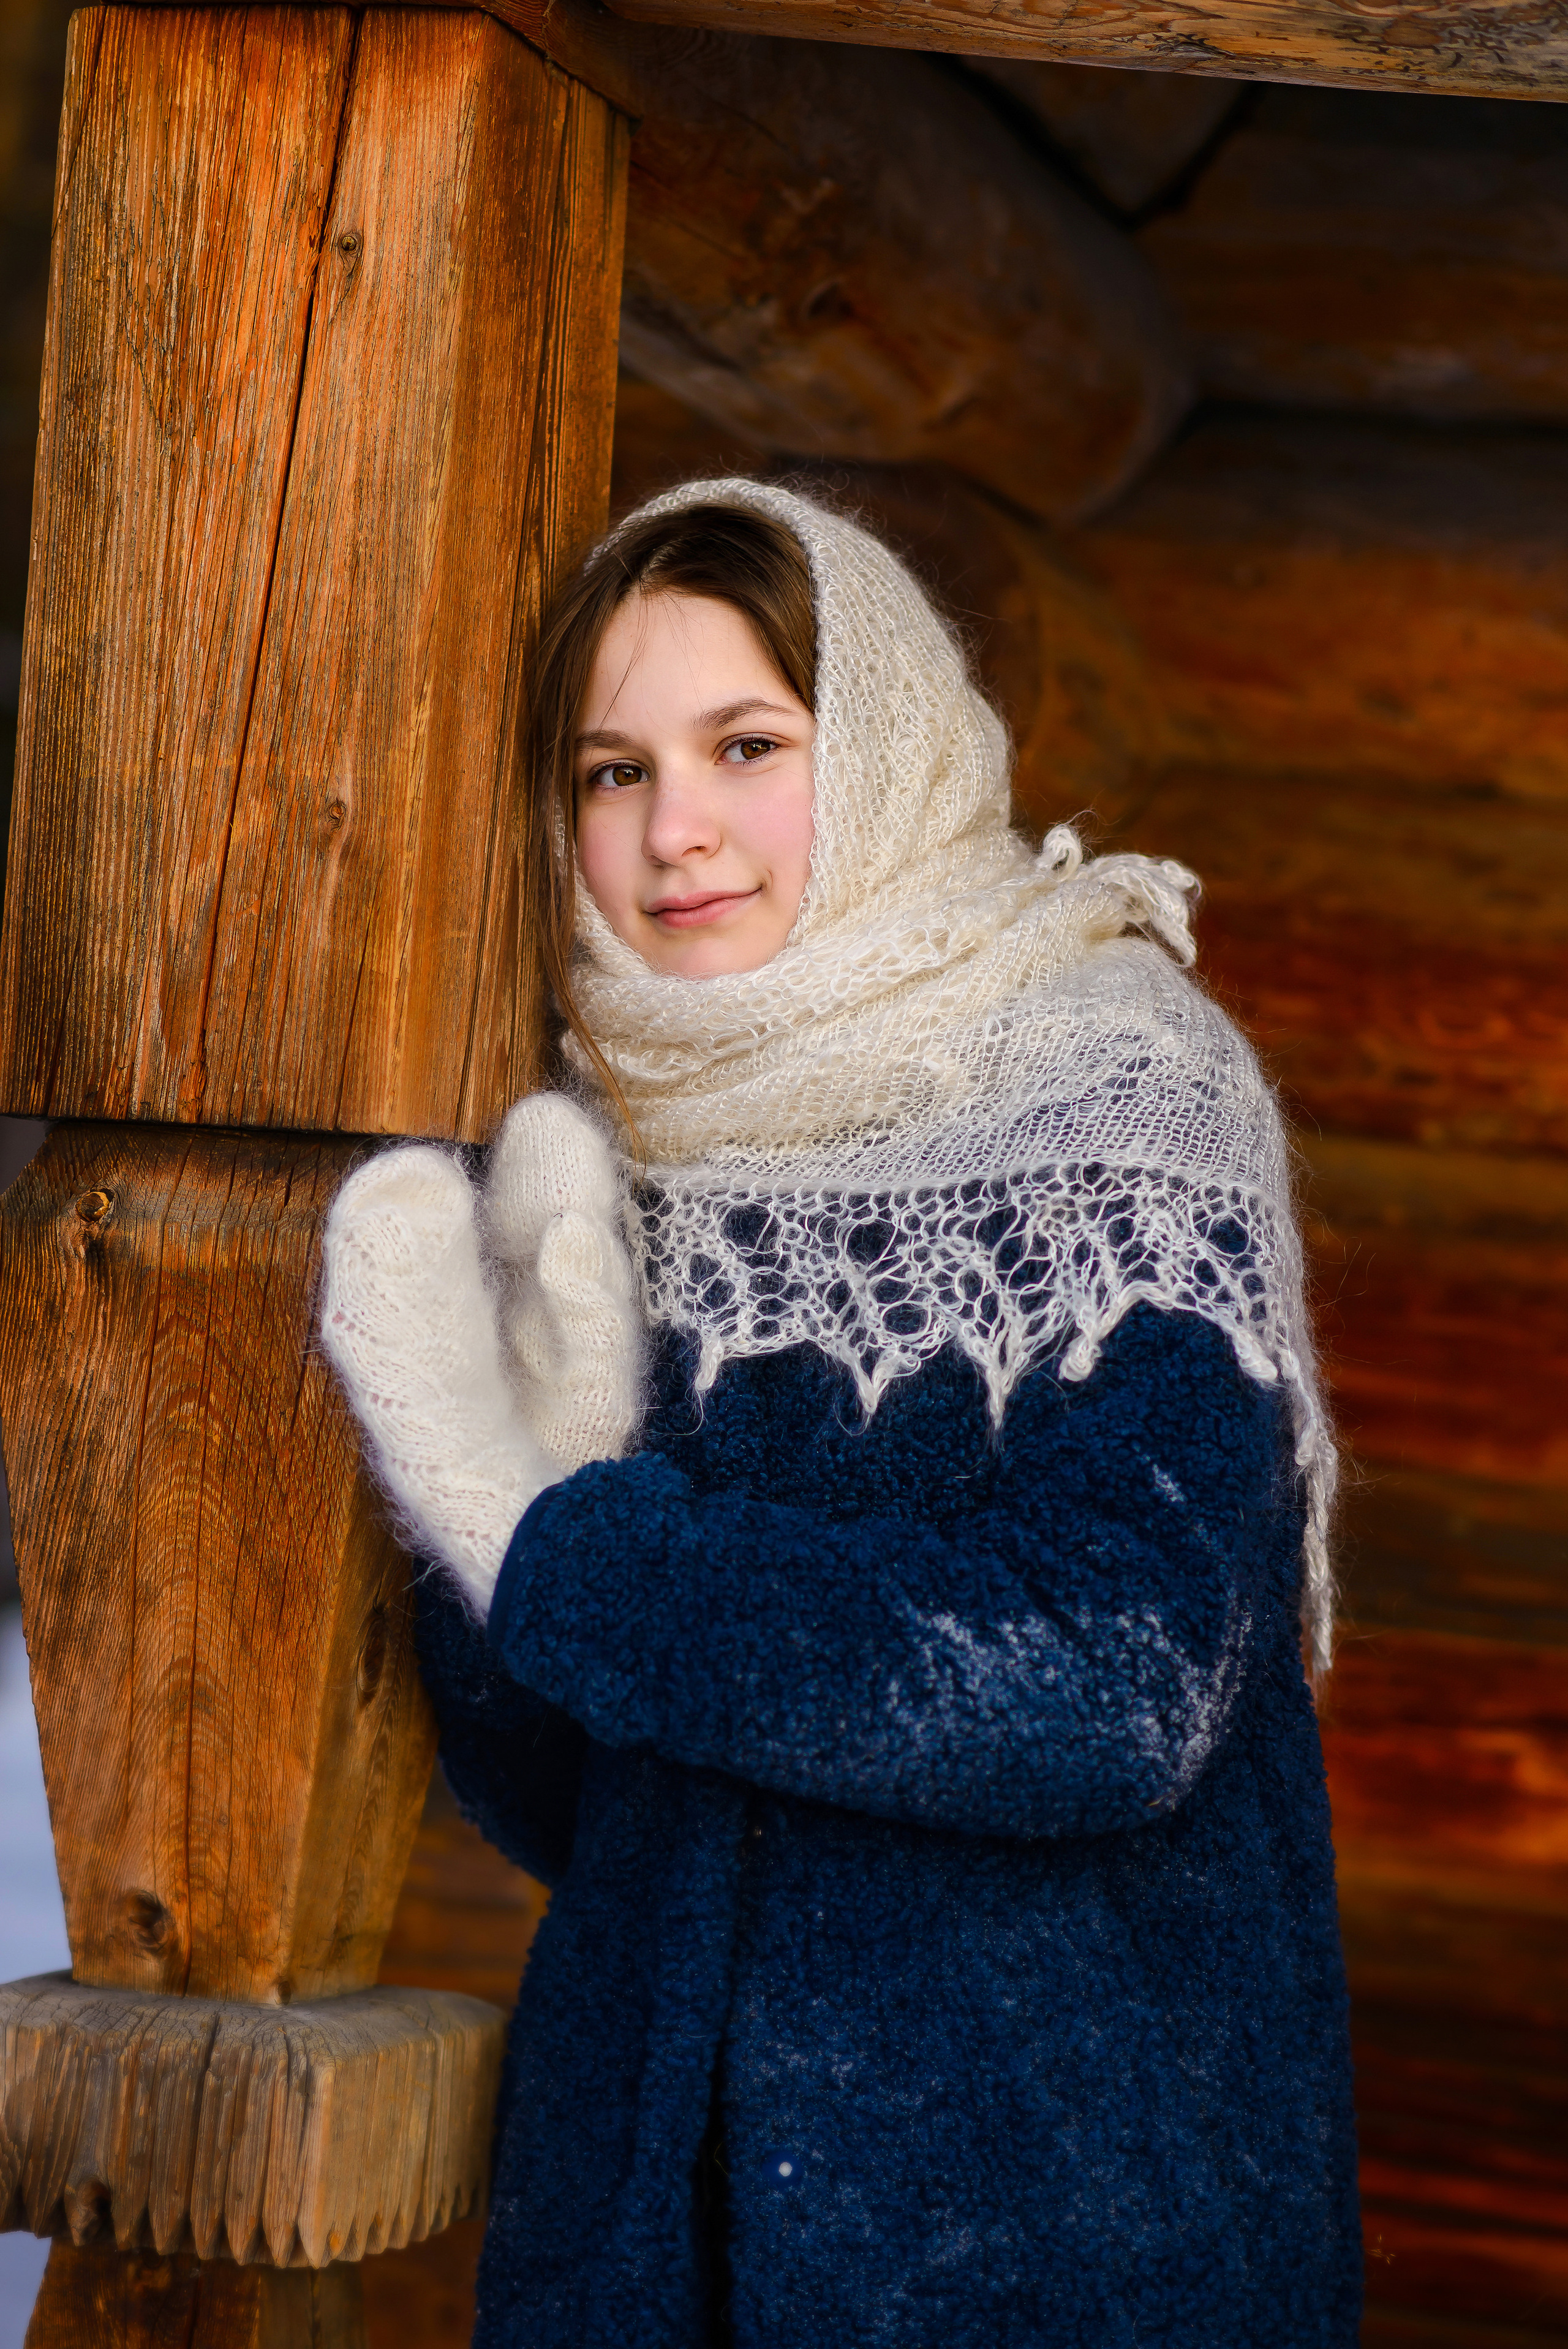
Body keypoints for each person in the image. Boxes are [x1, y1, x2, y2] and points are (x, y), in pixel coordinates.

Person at [321, 481, 1361, 2348]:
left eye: (744, 744)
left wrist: (558, 1533)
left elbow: (1107, 1682)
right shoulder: (604, 1145)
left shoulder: (1117, 1094)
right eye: (608, 771)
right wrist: (485, 1542)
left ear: (871, 741)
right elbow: (578, 1796)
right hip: (650, 2226)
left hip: (1054, 2225)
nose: (676, 830)